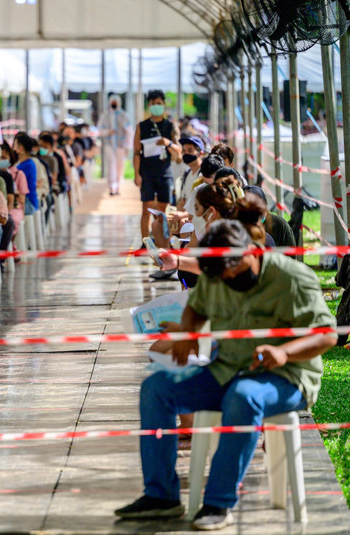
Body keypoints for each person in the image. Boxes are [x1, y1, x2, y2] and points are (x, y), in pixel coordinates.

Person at [116, 219, 336, 530]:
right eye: (224, 277)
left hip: (288, 377)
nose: (231, 281)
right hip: (227, 368)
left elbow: (327, 335)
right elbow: (197, 306)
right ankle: (161, 497)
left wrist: (285, 352)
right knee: (156, 388)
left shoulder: (291, 277)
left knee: (243, 396)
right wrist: (189, 332)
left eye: (236, 273)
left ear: (251, 251)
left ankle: (218, 502)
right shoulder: (215, 272)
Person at [133, 89, 181, 241]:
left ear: (164, 105)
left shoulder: (170, 126)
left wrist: (168, 143)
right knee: (146, 209)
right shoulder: (142, 126)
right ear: (149, 106)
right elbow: (136, 152)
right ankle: (145, 242)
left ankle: (161, 240)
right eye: (153, 104)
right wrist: (136, 174)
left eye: (159, 103)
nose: (156, 106)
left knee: (162, 209)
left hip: (164, 172)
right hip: (146, 172)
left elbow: (179, 151)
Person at [97, 94, 131, 196]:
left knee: (120, 167)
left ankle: (118, 186)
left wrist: (127, 146)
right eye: (113, 102)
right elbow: (99, 130)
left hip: (121, 145)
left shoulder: (124, 115)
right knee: (111, 166)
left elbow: (129, 132)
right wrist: (108, 132)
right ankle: (112, 186)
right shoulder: (105, 115)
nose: (114, 104)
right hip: (109, 145)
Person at [3, 141, 28, 237]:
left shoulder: (18, 174)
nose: (1, 161)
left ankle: (10, 244)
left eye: (4, 158)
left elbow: (22, 200)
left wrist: (14, 192)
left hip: (14, 207)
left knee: (12, 220)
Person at [176, 136, 206, 212]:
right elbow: (183, 202)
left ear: (200, 153)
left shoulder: (204, 175)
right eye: (184, 151)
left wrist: (182, 216)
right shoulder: (187, 173)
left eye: (190, 151)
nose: (186, 154)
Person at [13, 133, 39, 217]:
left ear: (20, 148)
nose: (13, 148)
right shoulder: (28, 163)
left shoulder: (24, 166)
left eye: (14, 145)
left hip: (28, 203)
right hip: (30, 201)